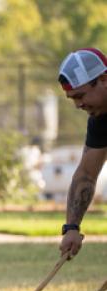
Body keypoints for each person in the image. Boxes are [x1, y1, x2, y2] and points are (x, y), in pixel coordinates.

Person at [57, 48, 107, 256]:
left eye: (80, 96)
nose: (78, 105)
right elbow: (87, 173)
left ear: (103, 79)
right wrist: (71, 227)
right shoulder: (100, 119)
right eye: (72, 99)